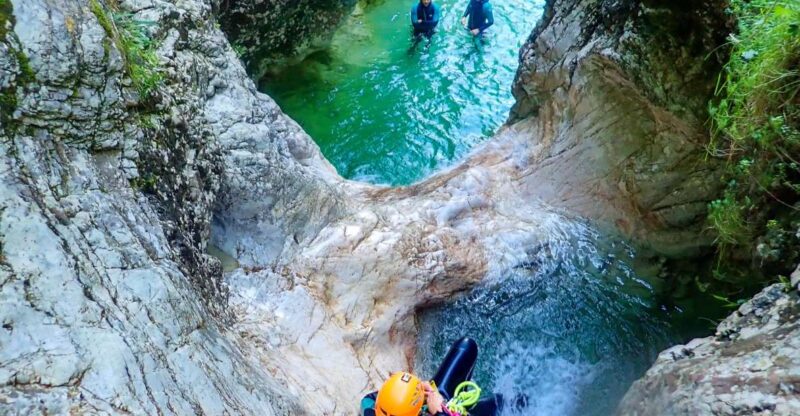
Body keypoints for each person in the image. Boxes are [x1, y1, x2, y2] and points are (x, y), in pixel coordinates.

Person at [360, 338, 502, 416]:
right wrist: (438, 411)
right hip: (441, 410)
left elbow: (367, 400)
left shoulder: (373, 413)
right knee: (503, 404)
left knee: (466, 347)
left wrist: (414, 392)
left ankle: (466, 404)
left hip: (435, 404)